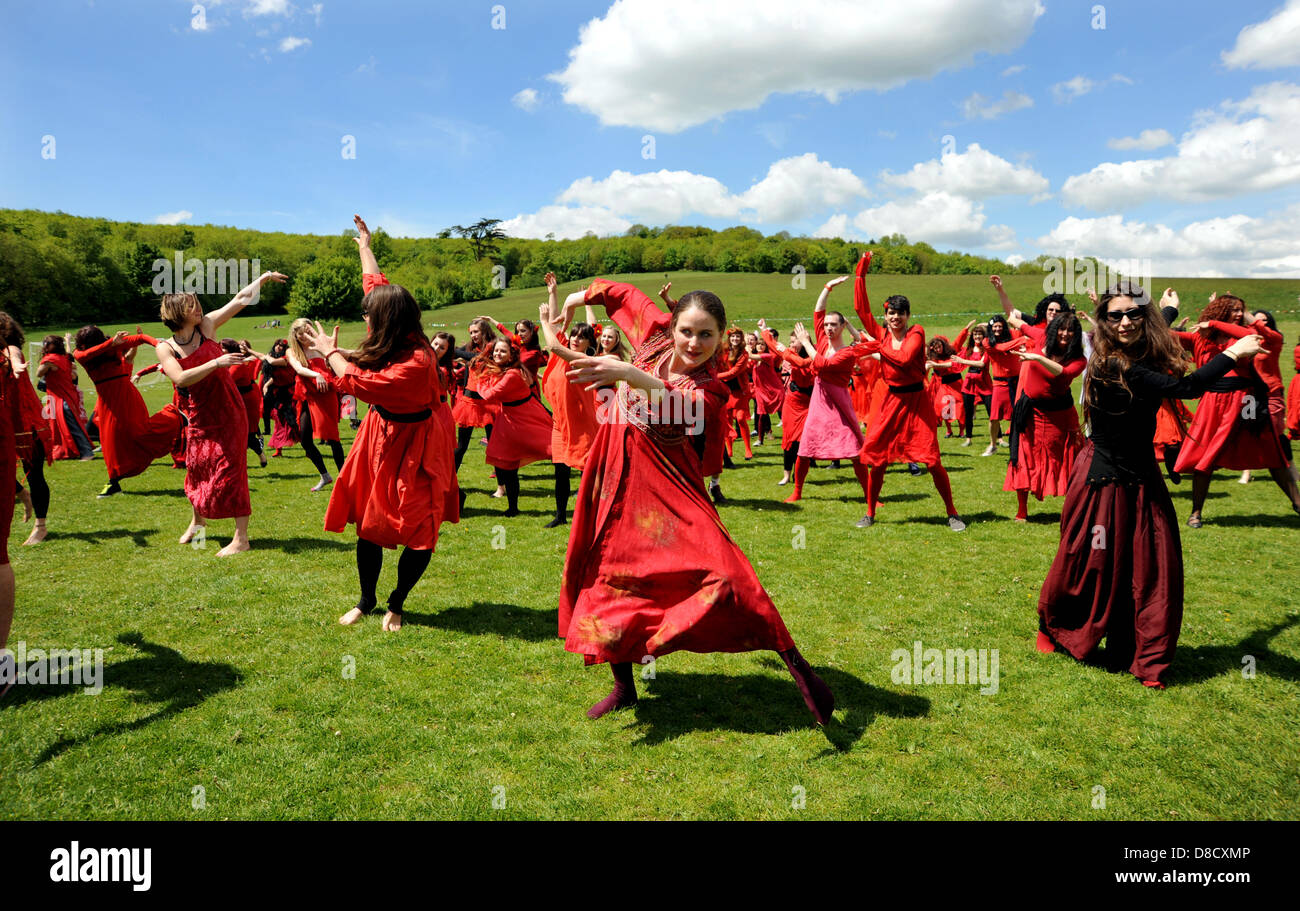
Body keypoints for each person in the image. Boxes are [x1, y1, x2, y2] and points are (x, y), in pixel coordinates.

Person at [554, 277, 834, 725]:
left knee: (727, 574)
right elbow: (619, 293)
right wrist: (569, 303)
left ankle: (792, 658)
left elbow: (675, 404)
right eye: (687, 331)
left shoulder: (710, 388)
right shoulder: (655, 335)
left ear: (722, 336)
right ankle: (624, 687)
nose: (695, 342)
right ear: (673, 325)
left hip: (671, 489)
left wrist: (629, 374)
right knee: (608, 575)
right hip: (614, 477)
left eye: (707, 334)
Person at [1037, 282, 1265, 688]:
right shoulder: (1110, 362)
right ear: (1103, 322)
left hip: (1142, 477)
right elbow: (1185, 388)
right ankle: (1054, 626)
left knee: (1153, 568)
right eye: (1115, 315)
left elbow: (1155, 343)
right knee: (1087, 562)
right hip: (1102, 478)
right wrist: (1233, 353)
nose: (1125, 322)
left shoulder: (1139, 351)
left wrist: (1165, 312)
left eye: (1134, 314)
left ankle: (1146, 654)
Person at [305, 214, 458, 632]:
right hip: (380, 432)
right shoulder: (397, 331)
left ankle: (398, 601)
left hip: (420, 440)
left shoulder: (416, 361)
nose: (365, 319)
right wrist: (364, 246)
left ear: (387, 321)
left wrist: (327, 351)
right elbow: (375, 283)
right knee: (370, 521)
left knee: (420, 527)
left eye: (369, 316)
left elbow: (356, 382)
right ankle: (366, 599)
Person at [155, 272, 285, 556]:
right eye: (191, 305)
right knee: (197, 468)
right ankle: (197, 524)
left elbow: (239, 300)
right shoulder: (165, 348)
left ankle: (241, 538)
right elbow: (180, 378)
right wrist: (216, 362)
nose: (198, 308)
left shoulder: (207, 328)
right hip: (200, 414)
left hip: (229, 410)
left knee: (232, 471)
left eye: (196, 303)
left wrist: (261, 280)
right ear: (178, 312)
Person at [851, 252, 966, 531]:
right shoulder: (882, 334)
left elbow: (903, 359)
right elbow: (860, 310)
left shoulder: (916, 331)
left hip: (916, 401)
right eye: (891, 313)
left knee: (931, 460)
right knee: (877, 460)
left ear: (907, 315)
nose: (895, 318)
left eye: (900, 313)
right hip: (890, 401)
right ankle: (869, 513)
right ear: (886, 314)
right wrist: (861, 274)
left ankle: (952, 513)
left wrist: (875, 346)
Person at [1172, 294, 1299, 526]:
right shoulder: (1197, 339)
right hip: (1212, 402)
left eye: (1241, 309)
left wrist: (1214, 323)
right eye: (1233, 309)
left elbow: (1251, 335)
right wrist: (1166, 311)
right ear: (1219, 309)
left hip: (1246, 401)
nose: (1240, 313)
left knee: (1271, 451)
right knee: (1205, 456)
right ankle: (1195, 512)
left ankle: (1297, 502)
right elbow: (1163, 336)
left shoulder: (1243, 337)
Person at [784, 275, 871, 506]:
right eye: (827, 325)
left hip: (840, 403)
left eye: (834, 324)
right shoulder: (823, 342)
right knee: (805, 449)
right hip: (819, 403)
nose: (829, 327)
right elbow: (818, 312)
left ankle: (870, 496)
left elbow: (823, 365)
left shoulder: (848, 352)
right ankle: (797, 492)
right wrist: (827, 288)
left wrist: (806, 342)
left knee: (854, 450)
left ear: (843, 326)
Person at [72, 325, 185, 498]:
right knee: (111, 443)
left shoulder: (115, 345)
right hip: (107, 401)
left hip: (125, 395)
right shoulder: (82, 354)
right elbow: (86, 354)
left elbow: (141, 338)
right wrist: (111, 343)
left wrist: (159, 345)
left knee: (139, 432)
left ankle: (174, 416)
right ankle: (114, 481)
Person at [1001, 310, 1086, 521]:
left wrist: (1037, 357)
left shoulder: (1078, 359)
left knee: (1067, 461)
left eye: (1070, 330)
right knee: (1023, 457)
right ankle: (1022, 511)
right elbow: (1018, 322)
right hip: (1030, 412)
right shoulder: (1041, 337)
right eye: (1062, 329)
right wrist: (1005, 303)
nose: (1065, 334)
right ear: (1054, 329)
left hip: (1059, 417)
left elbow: (1064, 373)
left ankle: (1074, 509)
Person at [537, 273, 600, 528]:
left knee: (587, 471)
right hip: (559, 423)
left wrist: (587, 306)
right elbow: (556, 326)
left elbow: (551, 339)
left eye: (582, 337)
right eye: (574, 335)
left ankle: (592, 513)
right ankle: (561, 515)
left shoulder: (584, 360)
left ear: (589, 343)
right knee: (560, 471)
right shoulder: (565, 348)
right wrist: (553, 293)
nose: (575, 338)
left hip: (582, 424)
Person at [476, 336, 554, 517]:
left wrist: (478, 383)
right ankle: (513, 508)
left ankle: (588, 480)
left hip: (525, 417)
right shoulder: (502, 369)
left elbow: (489, 395)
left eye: (502, 351)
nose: (497, 353)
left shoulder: (512, 373)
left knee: (555, 450)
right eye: (496, 350)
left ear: (511, 356)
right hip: (509, 418)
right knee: (507, 463)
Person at [1, 314, 52, 546]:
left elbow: (14, 356)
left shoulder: (10, 348)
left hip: (25, 421)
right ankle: (22, 493)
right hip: (4, 419)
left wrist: (16, 365)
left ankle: (40, 527)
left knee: (35, 473)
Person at [287, 318, 346, 491]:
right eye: (301, 333)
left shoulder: (319, 347)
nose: (305, 336)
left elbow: (334, 361)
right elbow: (298, 369)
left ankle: (343, 477)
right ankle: (325, 476)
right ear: (295, 335)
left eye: (308, 331)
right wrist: (316, 375)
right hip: (307, 396)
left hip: (325, 394)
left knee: (332, 437)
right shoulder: (292, 351)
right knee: (305, 440)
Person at [760, 321, 812, 486]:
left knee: (803, 440)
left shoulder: (814, 353)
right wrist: (764, 329)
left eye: (794, 340)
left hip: (809, 402)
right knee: (789, 439)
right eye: (790, 342)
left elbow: (804, 363)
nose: (791, 344)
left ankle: (799, 475)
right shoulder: (792, 354)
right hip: (793, 401)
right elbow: (774, 345)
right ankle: (786, 475)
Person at [36, 335, 94, 461]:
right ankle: (64, 450)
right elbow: (69, 353)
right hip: (66, 396)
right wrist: (67, 341)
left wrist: (45, 362)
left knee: (72, 425)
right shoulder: (65, 357)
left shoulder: (50, 359)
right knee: (62, 425)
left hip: (60, 398)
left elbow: (38, 373)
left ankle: (87, 452)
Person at [222, 338, 266, 469]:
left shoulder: (237, 365)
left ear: (230, 350)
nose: (219, 350)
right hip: (239, 397)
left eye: (222, 348)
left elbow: (225, 381)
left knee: (246, 431)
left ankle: (260, 454)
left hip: (247, 399)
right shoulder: (231, 362)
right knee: (237, 429)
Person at [953, 320, 992, 447]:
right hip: (969, 383)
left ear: (984, 335)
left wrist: (962, 360)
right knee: (968, 413)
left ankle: (999, 438)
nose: (977, 337)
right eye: (975, 334)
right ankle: (969, 438)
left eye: (979, 334)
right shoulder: (968, 349)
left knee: (991, 412)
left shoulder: (987, 348)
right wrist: (936, 365)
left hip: (984, 382)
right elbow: (956, 362)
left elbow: (981, 364)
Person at [261, 339, 298, 456]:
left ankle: (308, 447)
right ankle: (279, 450)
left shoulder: (285, 360)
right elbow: (274, 375)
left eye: (282, 346)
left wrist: (266, 356)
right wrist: (247, 350)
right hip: (278, 395)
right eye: (277, 344)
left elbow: (269, 360)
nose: (279, 347)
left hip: (290, 394)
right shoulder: (274, 359)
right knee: (278, 420)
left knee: (292, 423)